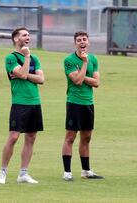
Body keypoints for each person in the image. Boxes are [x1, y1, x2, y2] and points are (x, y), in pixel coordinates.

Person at [0, 27, 44, 184]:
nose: (28, 37)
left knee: (31, 137)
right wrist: (27, 58)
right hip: (19, 103)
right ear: (16, 39)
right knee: (14, 136)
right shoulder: (11, 58)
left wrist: (27, 74)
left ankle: (23, 173)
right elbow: (22, 74)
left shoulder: (35, 58)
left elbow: (41, 79)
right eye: (24, 35)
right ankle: (3, 172)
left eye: (29, 35)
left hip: (34, 102)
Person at [61, 31, 103, 181]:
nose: (82, 42)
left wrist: (82, 75)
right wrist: (84, 63)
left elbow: (97, 82)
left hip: (88, 103)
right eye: (79, 40)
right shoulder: (69, 60)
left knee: (86, 138)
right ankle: (67, 172)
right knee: (70, 137)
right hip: (74, 102)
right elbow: (77, 82)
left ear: (88, 42)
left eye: (84, 39)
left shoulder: (93, 59)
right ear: (75, 43)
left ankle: (86, 171)